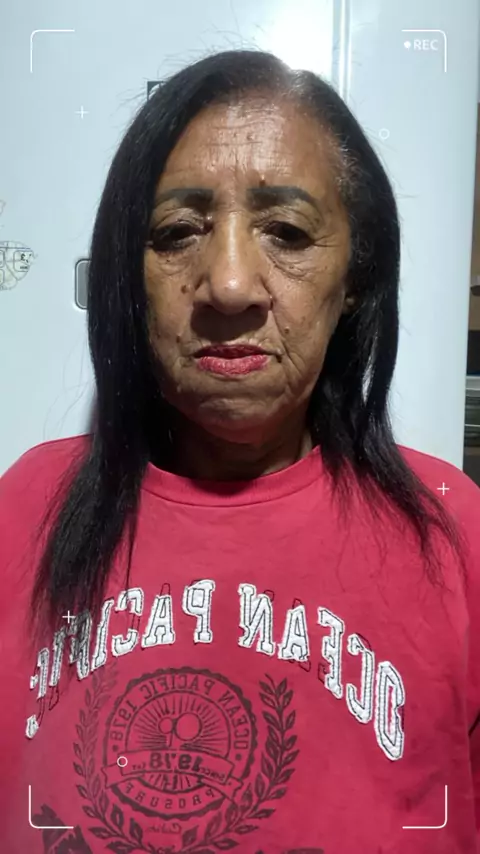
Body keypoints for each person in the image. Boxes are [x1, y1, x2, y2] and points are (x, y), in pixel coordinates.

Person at [0, 48, 479, 854]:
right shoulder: (24, 511)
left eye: (286, 231)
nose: (227, 283)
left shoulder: (454, 533)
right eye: (177, 232)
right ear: (128, 276)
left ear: (355, 275)